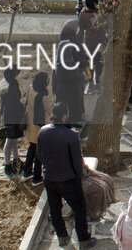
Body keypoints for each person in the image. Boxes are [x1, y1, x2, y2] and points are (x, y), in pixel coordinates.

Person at [36, 101, 93, 248]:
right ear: (63, 116)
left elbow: (39, 154)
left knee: (55, 209)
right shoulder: (70, 135)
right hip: (68, 179)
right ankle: (83, 239)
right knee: (79, 207)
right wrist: (79, 175)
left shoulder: (43, 131)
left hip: (49, 178)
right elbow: (76, 161)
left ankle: (62, 236)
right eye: (67, 113)